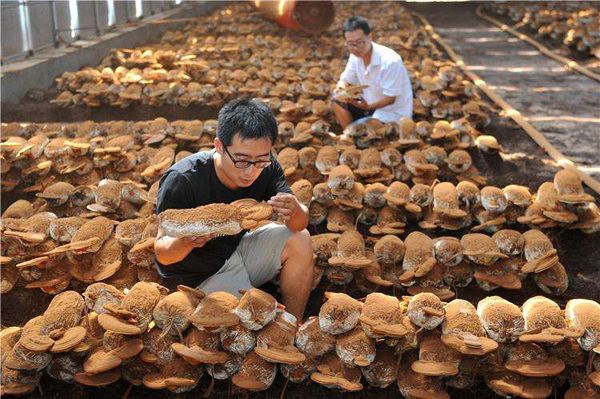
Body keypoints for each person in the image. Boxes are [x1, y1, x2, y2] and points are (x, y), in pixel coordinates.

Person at [154, 98, 314, 321]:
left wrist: (296, 209)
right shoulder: (183, 180)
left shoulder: (266, 167)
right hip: (198, 274)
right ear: (219, 146)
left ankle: (294, 325)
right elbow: (163, 255)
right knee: (258, 321)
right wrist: (187, 241)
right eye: (241, 160)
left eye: (260, 160)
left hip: (237, 249)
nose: (251, 171)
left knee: (300, 238)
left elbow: (299, 224)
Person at [332, 16, 413, 129]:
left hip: (391, 112)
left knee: (365, 135)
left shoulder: (389, 61)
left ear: (369, 37)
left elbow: (390, 99)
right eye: (350, 44)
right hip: (368, 104)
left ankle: (357, 134)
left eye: (359, 42)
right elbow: (345, 79)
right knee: (336, 100)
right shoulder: (355, 57)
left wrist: (368, 107)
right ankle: (350, 136)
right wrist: (341, 90)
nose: (355, 48)